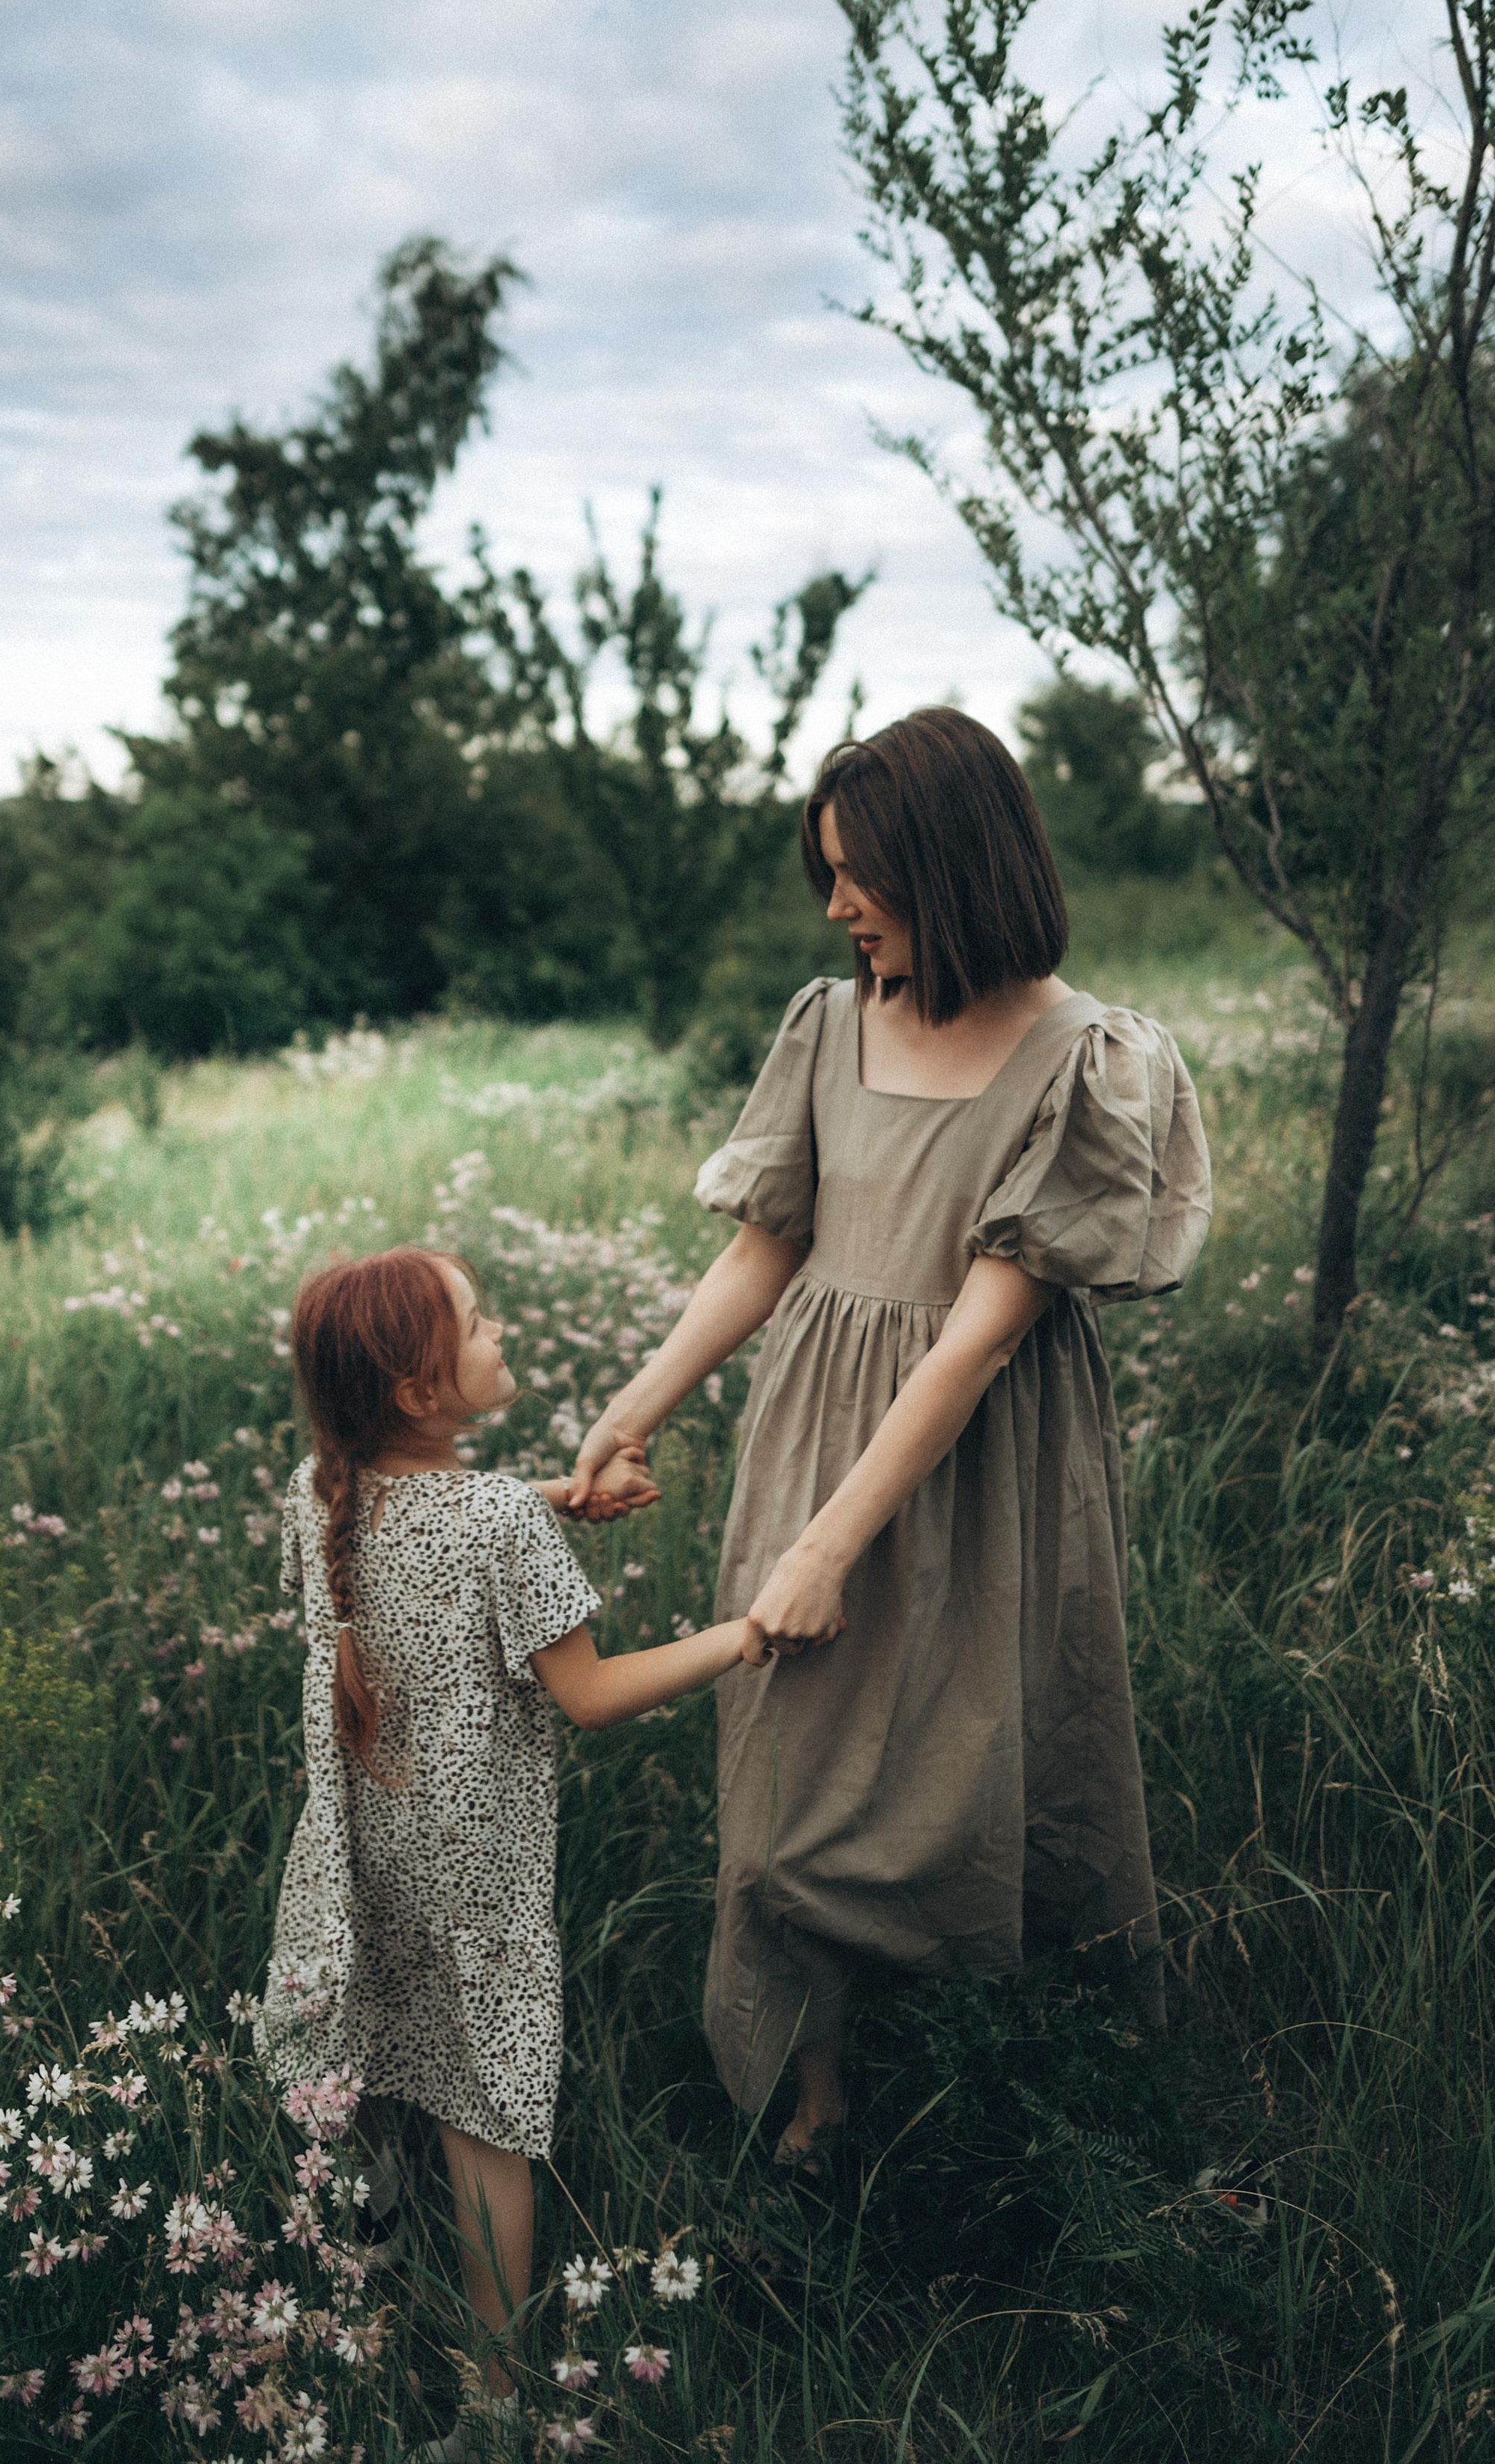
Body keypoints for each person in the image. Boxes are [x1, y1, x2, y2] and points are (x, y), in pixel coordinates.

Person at [567, 707, 1212, 2173]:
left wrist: (825, 1548)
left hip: (983, 1462)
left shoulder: (1088, 1058)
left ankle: (1031, 2074)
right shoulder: (826, 1021)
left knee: (988, 1755)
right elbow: (762, 1248)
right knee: (788, 1796)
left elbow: (979, 1334)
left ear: (953, 864)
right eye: (826, 871)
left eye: (860, 873)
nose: (834, 903)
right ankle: (822, 2080)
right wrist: (630, 1409)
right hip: (811, 1437)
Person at [259, 1245, 764, 2460]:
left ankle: (354, 2321)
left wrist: (555, 1494)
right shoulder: (493, 1521)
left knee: (368, 2070)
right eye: (479, 1325)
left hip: (359, 1861)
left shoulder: (313, 1495)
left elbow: (431, 1518)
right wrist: (744, 1635)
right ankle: (494, 2401)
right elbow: (589, 1695)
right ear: (424, 1393)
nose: (502, 1335)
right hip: (477, 1875)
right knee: (486, 2118)